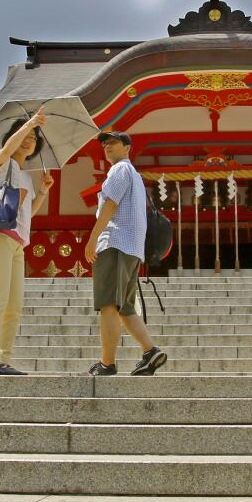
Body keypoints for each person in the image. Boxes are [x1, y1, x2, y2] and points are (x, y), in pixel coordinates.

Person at [0, 109, 54, 375]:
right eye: (26, 135)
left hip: (18, 242)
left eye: (34, 137)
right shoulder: (3, 161)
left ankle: (3, 358)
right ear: (14, 137)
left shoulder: (27, 177)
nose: (29, 140)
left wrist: (42, 191)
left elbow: (27, 212)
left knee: (14, 305)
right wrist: (31, 121)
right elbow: (7, 149)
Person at [83, 131, 167, 376]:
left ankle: (107, 363)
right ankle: (150, 351)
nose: (108, 147)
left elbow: (110, 204)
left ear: (127, 147)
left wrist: (93, 238)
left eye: (113, 143)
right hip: (132, 248)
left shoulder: (119, 170)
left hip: (115, 243)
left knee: (108, 304)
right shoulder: (136, 176)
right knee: (125, 307)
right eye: (105, 144)